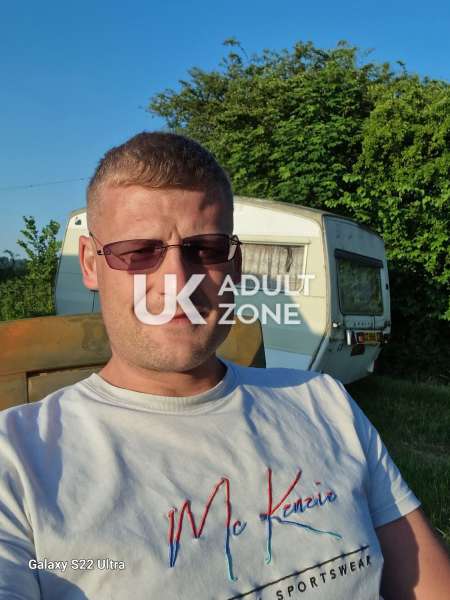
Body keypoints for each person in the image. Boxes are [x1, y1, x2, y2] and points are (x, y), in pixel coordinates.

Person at [0, 132, 449, 600]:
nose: (178, 282)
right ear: (91, 264)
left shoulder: (324, 402)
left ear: (234, 264)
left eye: (206, 249)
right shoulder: (18, 461)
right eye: (139, 252)